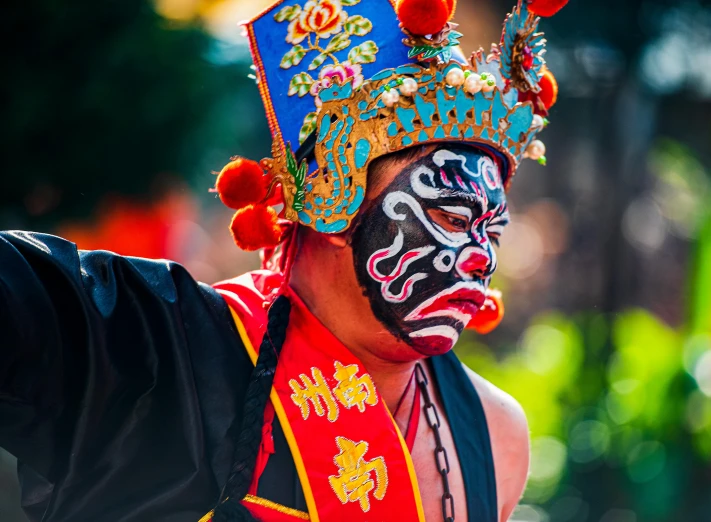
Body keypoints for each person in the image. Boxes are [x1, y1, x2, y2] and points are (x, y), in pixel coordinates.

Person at [0, 0, 568, 520]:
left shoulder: (493, 434)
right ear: (335, 198)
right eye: (450, 218)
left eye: (492, 230)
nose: (480, 257)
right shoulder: (151, 353)